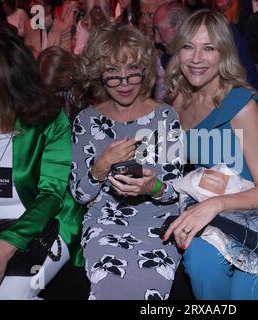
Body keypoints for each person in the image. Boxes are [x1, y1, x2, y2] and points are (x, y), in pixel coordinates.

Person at [164, 10, 258, 300]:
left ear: (223, 53)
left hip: (257, 212)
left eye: (209, 48)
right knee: (201, 264)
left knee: (248, 292)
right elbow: (172, 159)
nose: (196, 58)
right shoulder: (178, 99)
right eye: (189, 46)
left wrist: (216, 205)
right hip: (208, 204)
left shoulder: (240, 105)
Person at [0, 32, 85, 300]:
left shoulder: (50, 121)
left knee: (6, 297)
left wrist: (2, 248)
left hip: (46, 224)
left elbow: (51, 195)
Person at [70, 23, 184, 300]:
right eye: (112, 73)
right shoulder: (86, 121)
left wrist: (152, 187)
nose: (124, 84)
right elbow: (79, 194)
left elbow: (175, 193)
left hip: (159, 222)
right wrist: (99, 167)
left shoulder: (165, 117)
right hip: (105, 221)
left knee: (150, 287)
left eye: (132, 72)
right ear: (99, 73)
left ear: (144, 70)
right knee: (109, 283)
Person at [38, 46, 85, 121]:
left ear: (67, 74)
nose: (55, 89)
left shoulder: (85, 79)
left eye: (57, 85)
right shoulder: (56, 88)